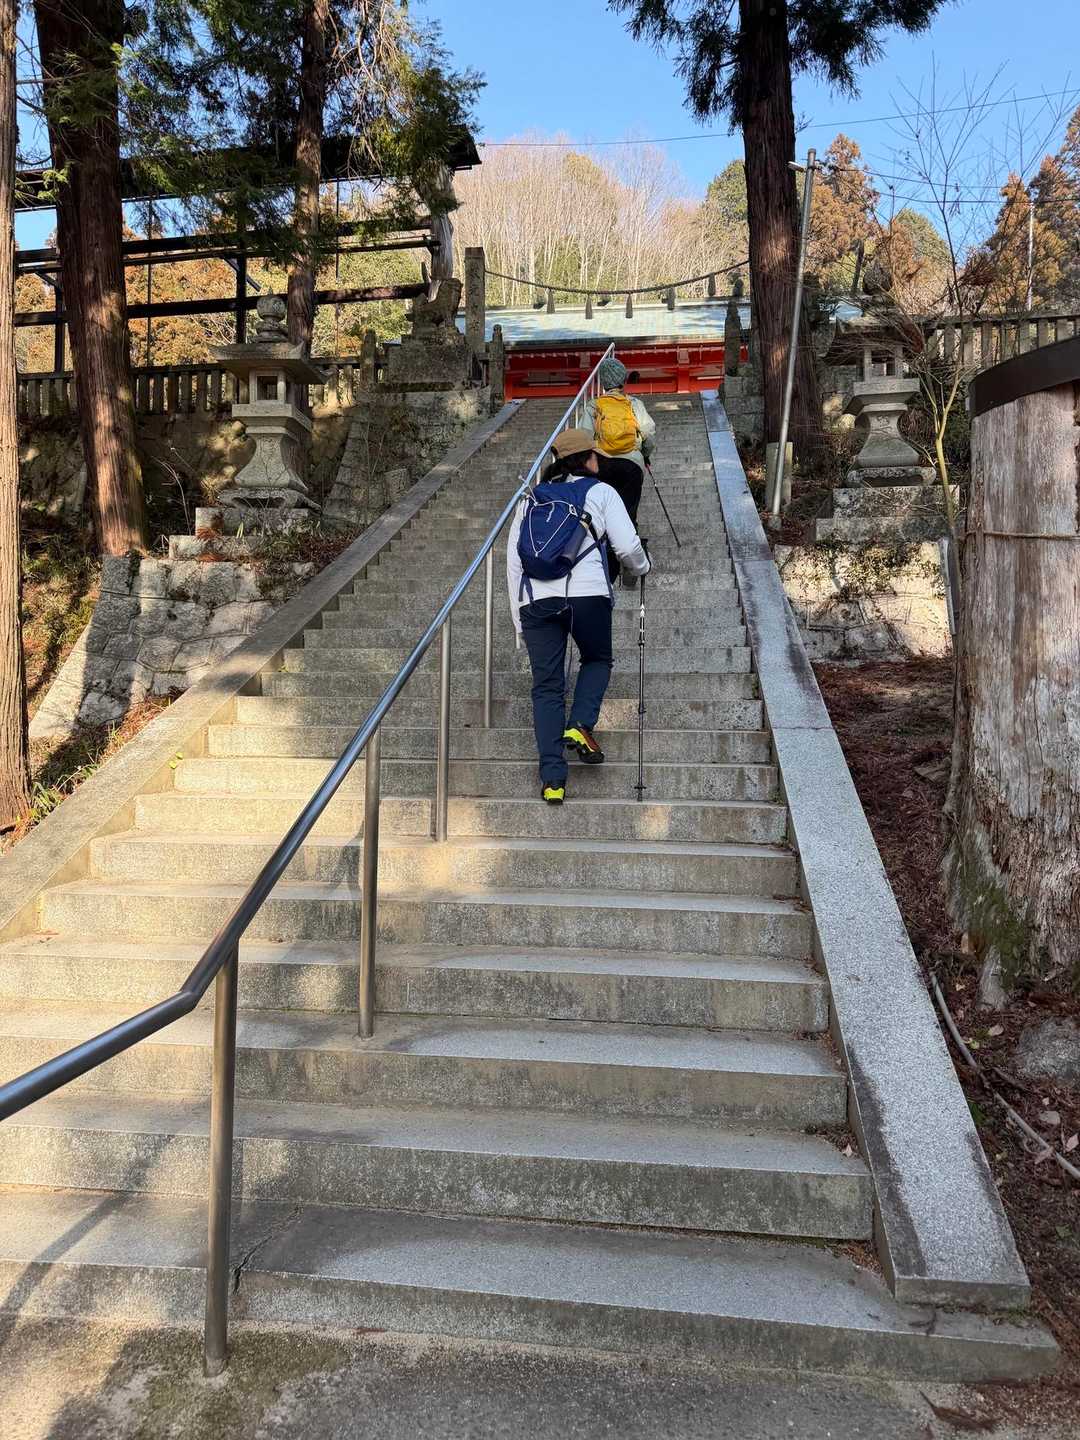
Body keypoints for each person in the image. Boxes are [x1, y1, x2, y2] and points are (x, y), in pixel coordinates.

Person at [506, 428, 651, 805]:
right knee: (597, 658)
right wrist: (643, 566)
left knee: (547, 687)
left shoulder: (531, 498)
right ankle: (580, 723)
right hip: (587, 595)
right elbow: (627, 547)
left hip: (536, 601)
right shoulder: (601, 492)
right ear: (588, 459)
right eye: (596, 456)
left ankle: (553, 781)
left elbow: (513, 562)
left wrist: (519, 619)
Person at [583, 356, 656, 584]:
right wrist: (645, 455)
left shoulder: (594, 406)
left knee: (603, 513)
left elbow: (584, 438)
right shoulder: (633, 404)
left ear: (603, 382)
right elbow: (649, 433)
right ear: (623, 380)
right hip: (631, 466)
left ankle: (604, 565)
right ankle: (630, 564)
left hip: (602, 466)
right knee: (628, 512)